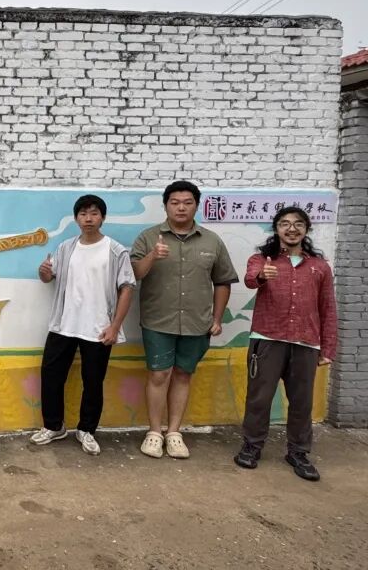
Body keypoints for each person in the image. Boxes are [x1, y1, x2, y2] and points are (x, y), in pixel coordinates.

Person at [131, 181, 238, 459]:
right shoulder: (148, 237)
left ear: (196, 205)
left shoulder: (212, 241)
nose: (181, 207)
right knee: (159, 374)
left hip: (197, 322)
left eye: (187, 202)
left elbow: (223, 281)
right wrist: (153, 256)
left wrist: (217, 318)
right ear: (166, 205)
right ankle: (154, 432)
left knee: (182, 374)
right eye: (175, 202)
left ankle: (174, 432)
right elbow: (134, 274)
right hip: (158, 321)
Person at [234, 207, 337, 481]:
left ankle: (298, 452)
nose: (292, 229)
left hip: (306, 343)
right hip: (267, 340)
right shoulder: (261, 259)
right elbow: (250, 279)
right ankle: (252, 446)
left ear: (307, 229)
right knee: (259, 399)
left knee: (302, 402)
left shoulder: (319, 266)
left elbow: (328, 308)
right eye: (285, 224)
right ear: (277, 228)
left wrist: (328, 348)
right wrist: (262, 276)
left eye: (298, 224)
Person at [30, 195, 135, 455]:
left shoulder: (116, 251)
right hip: (63, 324)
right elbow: (48, 277)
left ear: (103, 217)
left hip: (98, 327)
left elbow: (127, 288)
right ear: (76, 218)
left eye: (94, 213)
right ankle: (54, 426)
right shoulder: (65, 248)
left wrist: (115, 326)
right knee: (51, 376)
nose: (89, 219)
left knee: (93, 381)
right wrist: (44, 272)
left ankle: (87, 430)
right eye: (83, 214)